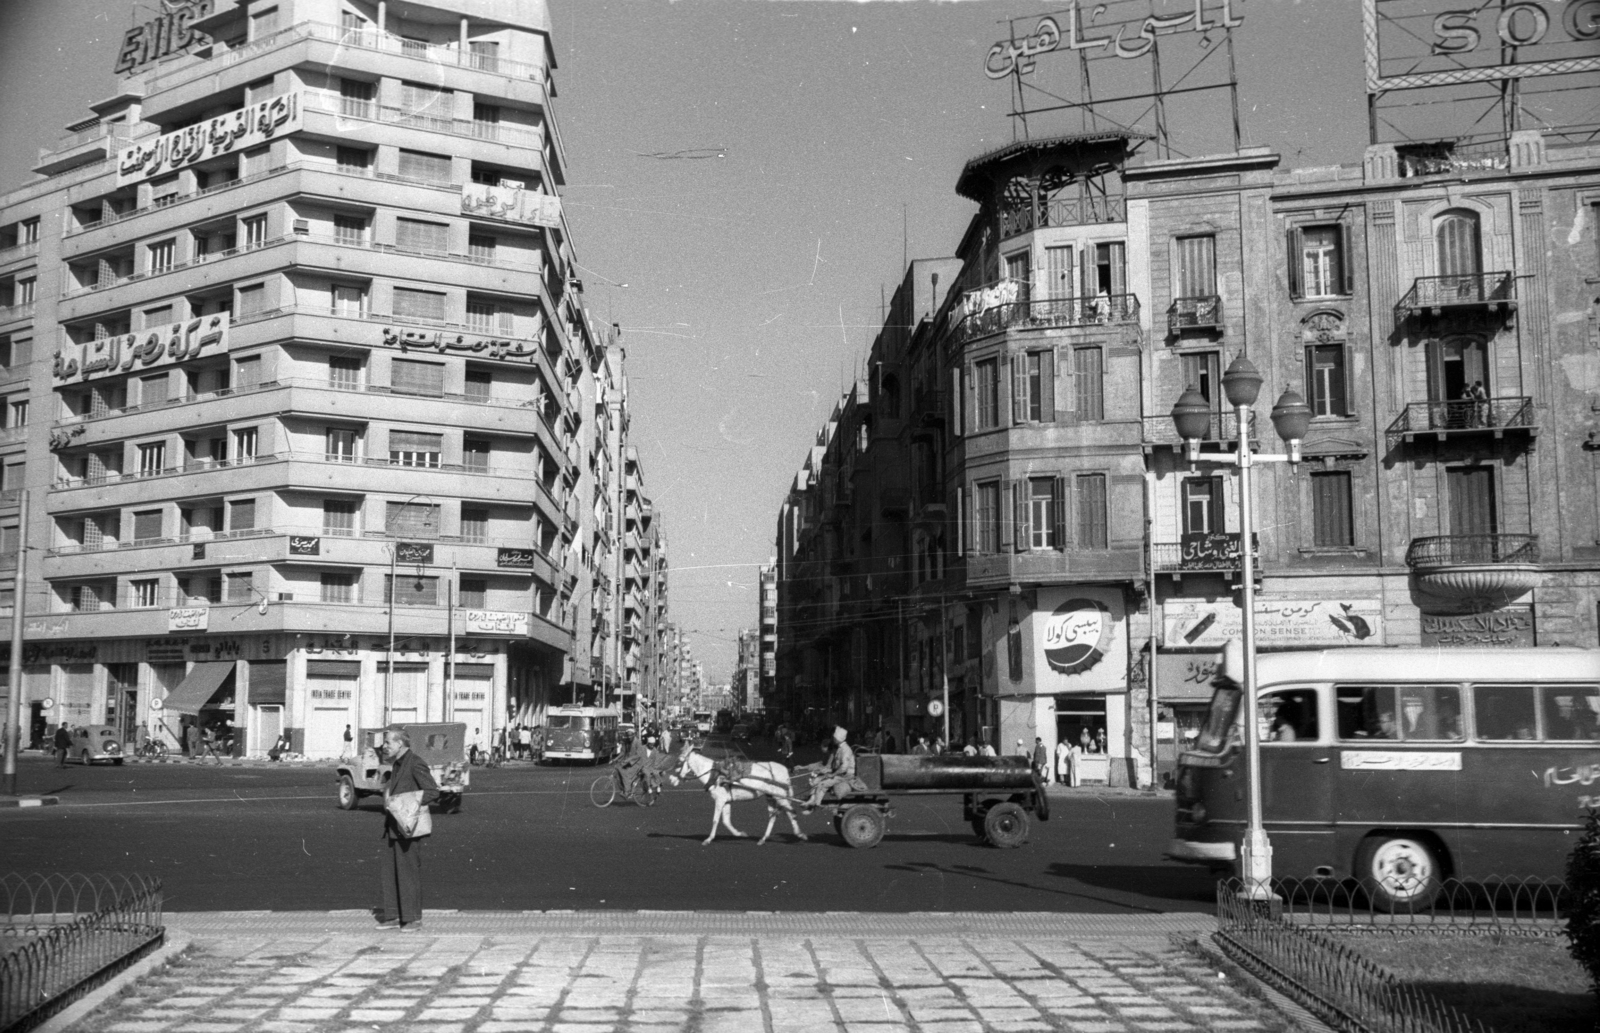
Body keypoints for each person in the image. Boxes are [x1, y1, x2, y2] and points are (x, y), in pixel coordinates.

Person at [376, 726, 439, 931]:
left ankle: (412, 919)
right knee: (390, 873)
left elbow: (431, 791)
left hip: (408, 826)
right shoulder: (396, 764)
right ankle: (394, 915)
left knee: (408, 872)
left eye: (388, 743)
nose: (384, 746)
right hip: (392, 826)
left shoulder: (415, 762)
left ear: (400, 743)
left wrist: (406, 804)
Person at [801, 726, 857, 811]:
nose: (833, 739)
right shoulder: (839, 748)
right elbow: (836, 766)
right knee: (817, 779)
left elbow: (844, 768)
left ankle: (815, 805)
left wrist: (832, 774)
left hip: (846, 776)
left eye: (835, 737)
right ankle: (812, 800)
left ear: (839, 739)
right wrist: (828, 771)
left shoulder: (845, 750)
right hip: (840, 774)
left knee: (822, 784)